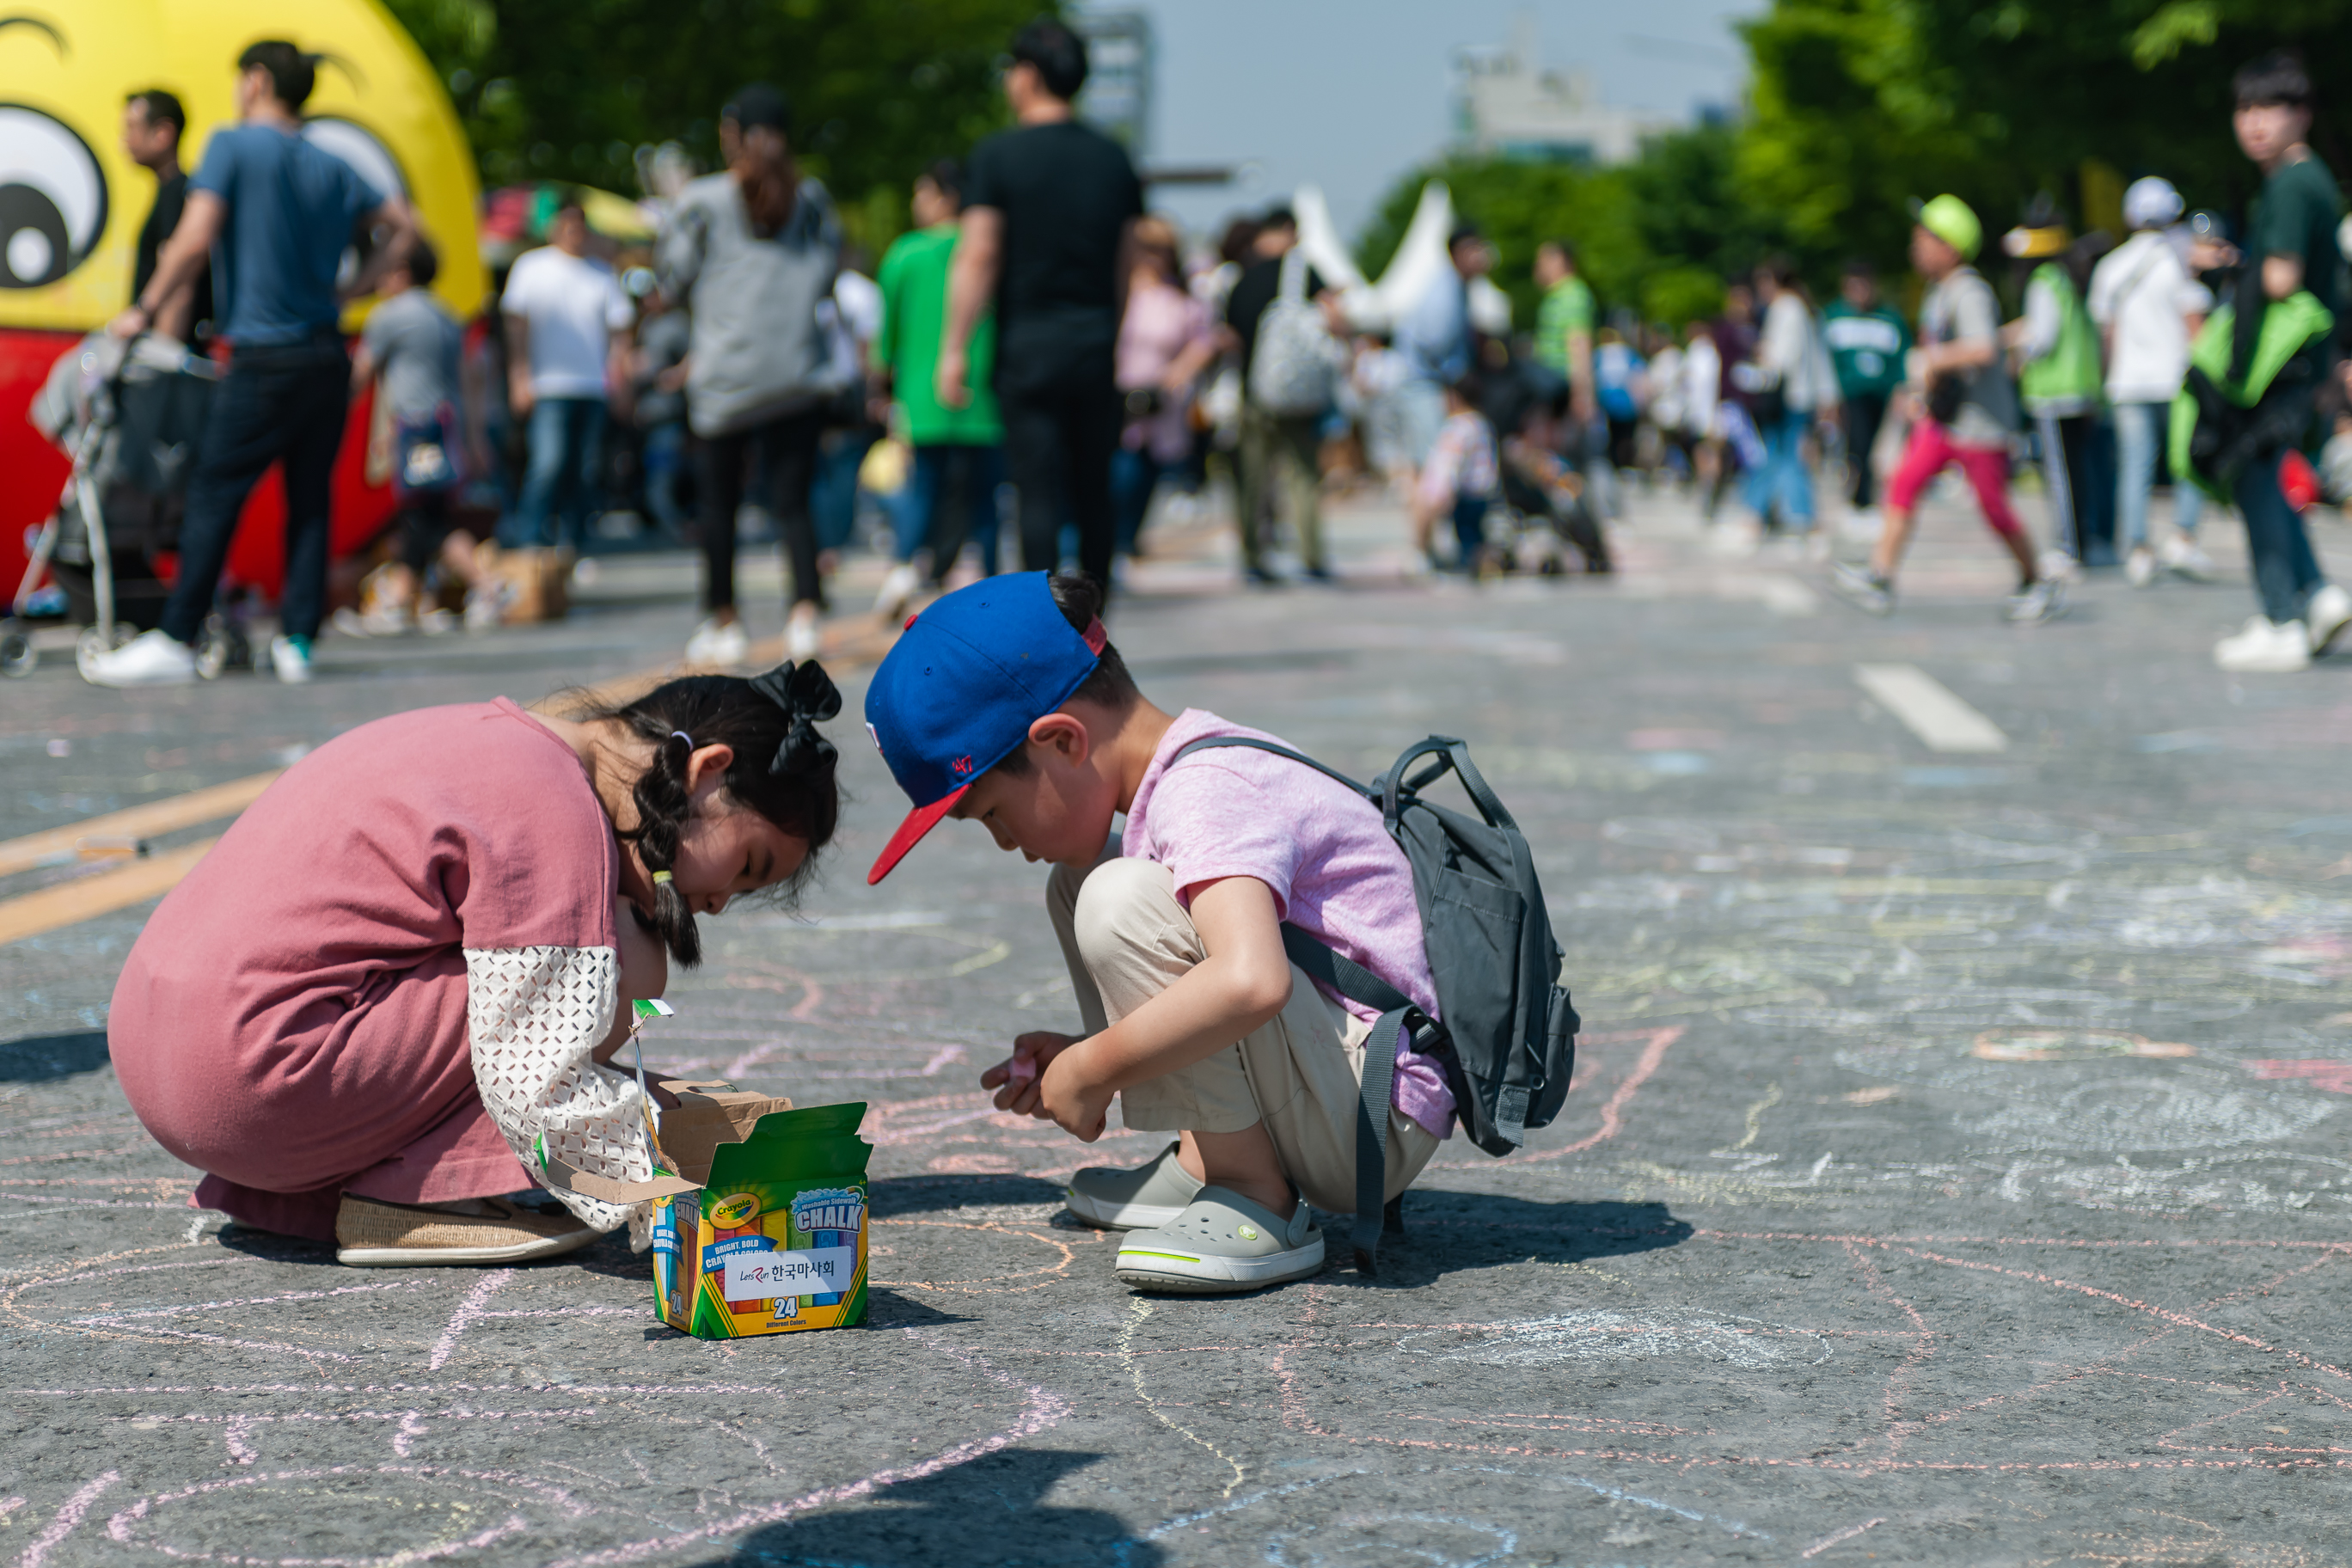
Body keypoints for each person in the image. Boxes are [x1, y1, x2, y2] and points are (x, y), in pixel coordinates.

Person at [107, 663, 842, 1264]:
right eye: (747, 866)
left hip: (166, 1054)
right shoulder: (554, 807)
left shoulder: (499, 737)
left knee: (583, 971)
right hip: (254, 1078)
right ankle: (409, 1195)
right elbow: (534, 1070)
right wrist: (669, 1196)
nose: (718, 903)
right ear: (709, 772)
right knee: (628, 961)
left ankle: (360, 1177)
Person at [861, 573, 1455, 1295]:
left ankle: (1253, 1193)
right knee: (1083, 882)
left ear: (1061, 742)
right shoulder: (1190, 769)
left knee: (1117, 897)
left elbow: (1250, 980)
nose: (1002, 841)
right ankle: (1210, 1156)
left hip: (1368, 1122)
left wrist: (1092, 1070)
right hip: (1334, 1078)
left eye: (989, 812)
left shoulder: (1202, 792)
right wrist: (1090, 1052)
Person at [87, 40, 414, 689]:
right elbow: (405, 227)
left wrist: (144, 307)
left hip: (264, 354)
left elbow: (196, 235)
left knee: (214, 490)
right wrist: (354, 288)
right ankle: (297, 641)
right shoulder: (332, 162)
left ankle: (178, 637)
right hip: (327, 353)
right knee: (309, 500)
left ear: (258, 81)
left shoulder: (233, 146)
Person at [939, 19, 1144, 591]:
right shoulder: (1112, 158)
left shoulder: (999, 155)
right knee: (1093, 485)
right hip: (1094, 341)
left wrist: (954, 347)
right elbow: (1126, 262)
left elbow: (979, 253)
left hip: (1027, 346)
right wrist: (1113, 328)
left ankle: (1047, 626)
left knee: (1036, 490)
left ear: (1028, 75)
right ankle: (1097, 625)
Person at [662, 83, 844, 666]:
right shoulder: (810, 198)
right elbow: (829, 272)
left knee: (720, 504)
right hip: (796, 373)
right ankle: (805, 614)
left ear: (732, 133)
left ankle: (725, 619)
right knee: (793, 501)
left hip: (725, 377)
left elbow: (673, 275)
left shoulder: (704, 198)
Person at [1830, 194, 2064, 623]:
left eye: (1924, 237)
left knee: (1994, 506)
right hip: (1945, 420)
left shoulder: (1969, 290)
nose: (1914, 246)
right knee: (1903, 483)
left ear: (1950, 247)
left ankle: (2037, 578)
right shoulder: (1939, 293)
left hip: (1981, 423)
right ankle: (1880, 576)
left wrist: (1930, 360)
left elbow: (1982, 349)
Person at [2202, 53, 2349, 673]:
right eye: (2246, 109)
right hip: (2301, 362)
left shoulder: (2291, 183)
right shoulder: (2309, 178)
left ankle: (2281, 618)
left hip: (2277, 362)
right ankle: (2316, 596)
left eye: (2272, 108)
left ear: (2303, 115)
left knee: (2256, 478)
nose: (2256, 123)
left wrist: (2229, 267)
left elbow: (2282, 278)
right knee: (2266, 476)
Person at [347, 237, 502, 633]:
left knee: (423, 517)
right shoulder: (446, 316)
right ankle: (412, 600)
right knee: (426, 513)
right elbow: (468, 380)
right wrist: (474, 439)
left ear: (402, 272)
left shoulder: (390, 316)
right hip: (445, 424)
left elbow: (361, 374)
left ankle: (481, 585)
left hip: (414, 427)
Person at [873, 159, 1005, 620]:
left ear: (945, 196)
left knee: (922, 486)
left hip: (922, 391)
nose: (916, 202)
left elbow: (885, 331)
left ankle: (905, 567)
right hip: (984, 390)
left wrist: (882, 375)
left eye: (921, 192)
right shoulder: (991, 249)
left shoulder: (905, 253)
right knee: (985, 497)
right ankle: (992, 582)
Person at [2089, 175, 2214, 587]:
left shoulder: (2110, 266)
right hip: (2176, 379)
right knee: (2187, 463)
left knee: (2134, 466)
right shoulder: (2179, 261)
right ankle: (2183, 537)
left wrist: (2107, 380)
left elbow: (2107, 335)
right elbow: (2195, 328)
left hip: (2127, 382)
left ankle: (2138, 550)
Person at [501, 197, 631, 553]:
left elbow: (620, 334)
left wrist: (620, 380)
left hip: (592, 386)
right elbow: (516, 326)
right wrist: (519, 375)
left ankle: (576, 545)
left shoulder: (602, 273)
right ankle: (529, 540)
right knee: (548, 464)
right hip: (548, 385)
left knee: (585, 470)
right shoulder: (531, 266)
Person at [1222, 206, 1336, 584]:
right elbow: (1336, 320)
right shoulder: (1306, 276)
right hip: (1300, 396)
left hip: (1253, 394)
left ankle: (1254, 556)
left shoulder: (1242, 279)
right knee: (1302, 476)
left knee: (1253, 480)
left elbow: (1229, 337)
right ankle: (1312, 556)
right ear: (1290, 231)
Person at [2002, 199, 2107, 574]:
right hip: (2080, 388)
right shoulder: (2068, 278)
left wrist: (2017, 349)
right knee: (2081, 471)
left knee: (2060, 476)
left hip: (2053, 392)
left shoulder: (2043, 282)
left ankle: (2068, 547)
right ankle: (2086, 541)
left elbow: (2042, 338)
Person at [1114, 216, 1218, 566]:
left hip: (1160, 398)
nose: (1151, 257)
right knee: (1121, 469)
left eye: (1160, 249)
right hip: (1119, 394)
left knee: (1147, 469)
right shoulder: (1119, 292)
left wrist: (1182, 369)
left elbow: (1204, 341)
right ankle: (1117, 536)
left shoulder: (1179, 299)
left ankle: (1127, 538)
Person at [1747, 260, 1836, 548]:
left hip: (1785, 395)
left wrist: (1762, 360)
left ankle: (1769, 513)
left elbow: (1782, 358)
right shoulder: (1806, 308)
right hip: (1802, 395)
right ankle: (1795, 513)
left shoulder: (1784, 308)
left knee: (1778, 454)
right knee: (1792, 454)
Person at [1820, 259, 1910, 530]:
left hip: (1880, 393)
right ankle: (1859, 500)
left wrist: (1901, 390)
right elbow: (1825, 361)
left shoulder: (1889, 317)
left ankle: (1866, 499)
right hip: (1848, 393)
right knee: (1856, 445)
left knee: (1874, 447)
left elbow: (1900, 359)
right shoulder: (1833, 316)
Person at [1393, 225, 1491, 477]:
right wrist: (1454, 384)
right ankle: (1428, 514)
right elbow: (1433, 344)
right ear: (1460, 254)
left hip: (1428, 383)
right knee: (1435, 466)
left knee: (1431, 465)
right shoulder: (1446, 293)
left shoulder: (1457, 286)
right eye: (1478, 250)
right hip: (1425, 384)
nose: (1484, 257)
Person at [121, 88, 211, 342]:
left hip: (167, 352)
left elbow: (180, 286)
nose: (124, 140)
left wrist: (162, 362)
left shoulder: (177, 193)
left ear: (163, 134)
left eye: (132, 128)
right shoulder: (171, 190)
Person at [1414, 375, 1500, 573]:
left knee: (1465, 534)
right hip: (1485, 489)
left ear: (1455, 398)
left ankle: (1471, 565)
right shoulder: (1481, 423)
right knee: (1478, 532)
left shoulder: (1457, 427)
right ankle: (1482, 561)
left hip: (1465, 491)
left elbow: (1450, 464)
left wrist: (1441, 493)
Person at [628, 284, 694, 537]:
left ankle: (672, 523)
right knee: (649, 469)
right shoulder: (646, 324)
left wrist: (676, 377)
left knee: (663, 471)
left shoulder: (679, 323)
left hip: (668, 411)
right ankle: (657, 521)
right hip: (646, 411)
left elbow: (696, 355)